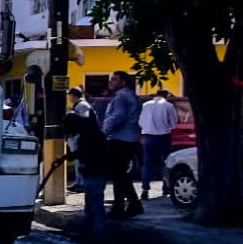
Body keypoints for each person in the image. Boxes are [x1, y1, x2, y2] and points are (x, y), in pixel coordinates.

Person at [100, 70, 142, 217]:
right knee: (120, 174)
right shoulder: (133, 96)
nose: (111, 82)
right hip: (131, 138)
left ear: (123, 82)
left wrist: (104, 131)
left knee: (118, 175)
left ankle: (122, 206)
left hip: (119, 139)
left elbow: (118, 116)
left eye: (115, 79)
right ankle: (130, 204)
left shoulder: (121, 97)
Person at [64, 110, 111, 241]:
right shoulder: (90, 131)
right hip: (95, 172)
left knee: (95, 205)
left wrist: (81, 162)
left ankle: (99, 234)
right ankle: (90, 232)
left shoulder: (88, 135)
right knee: (91, 205)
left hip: (95, 172)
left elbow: (85, 152)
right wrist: (66, 158)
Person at [138, 88, 178, 198]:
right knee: (165, 163)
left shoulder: (145, 105)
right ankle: (166, 188)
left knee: (147, 164)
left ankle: (145, 189)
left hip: (149, 137)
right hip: (163, 136)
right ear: (166, 95)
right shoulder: (168, 106)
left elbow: (140, 121)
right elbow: (174, 123)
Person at [66, 86, 95, 190]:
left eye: (70, 95)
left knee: (80, 160)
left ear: (73, 96)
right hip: (76, 136)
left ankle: (82, 183)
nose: (69, 98)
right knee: (77, 161)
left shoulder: (82, 105)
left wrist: (71, 115)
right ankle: (78, 182)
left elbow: (84, 120)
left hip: (79, 136)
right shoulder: (79, 104)